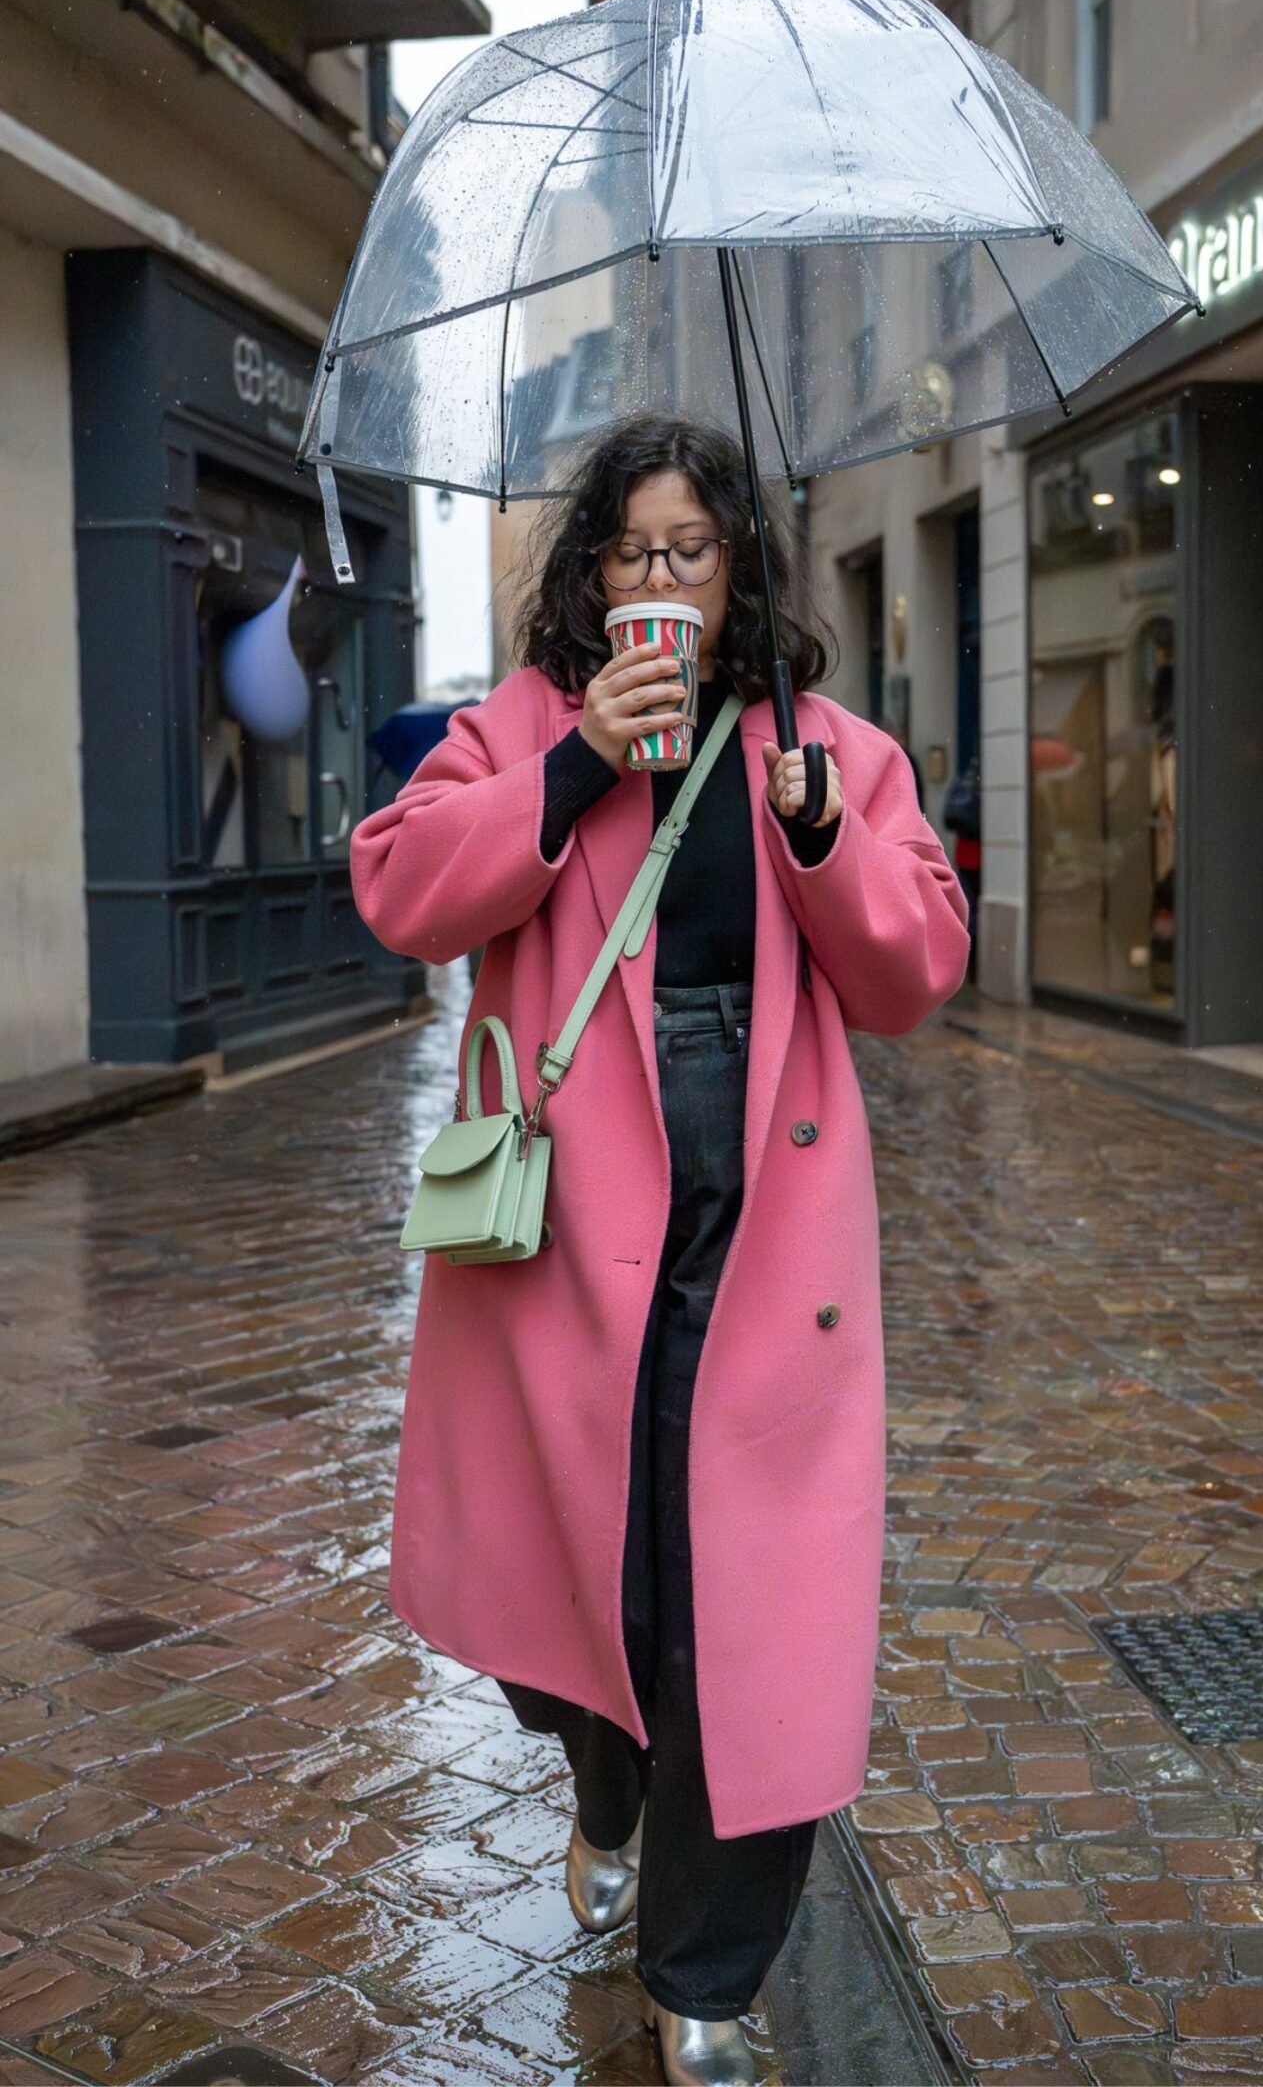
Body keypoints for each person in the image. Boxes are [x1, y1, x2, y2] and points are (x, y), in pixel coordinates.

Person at [349, 414, 970, 2086]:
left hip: (766, 1246)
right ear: (589, 574)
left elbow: (917, 978)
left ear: (740, 564)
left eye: (691, 551)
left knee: (732, 1618)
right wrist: (567, 771)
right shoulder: (526, 724)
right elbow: (400, 892)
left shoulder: (825, 741)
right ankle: (602, 1772)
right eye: (631, 551)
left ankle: (704, 1976)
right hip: (571, 1250)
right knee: (589, 1601)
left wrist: (827, 831)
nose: (661, 582)